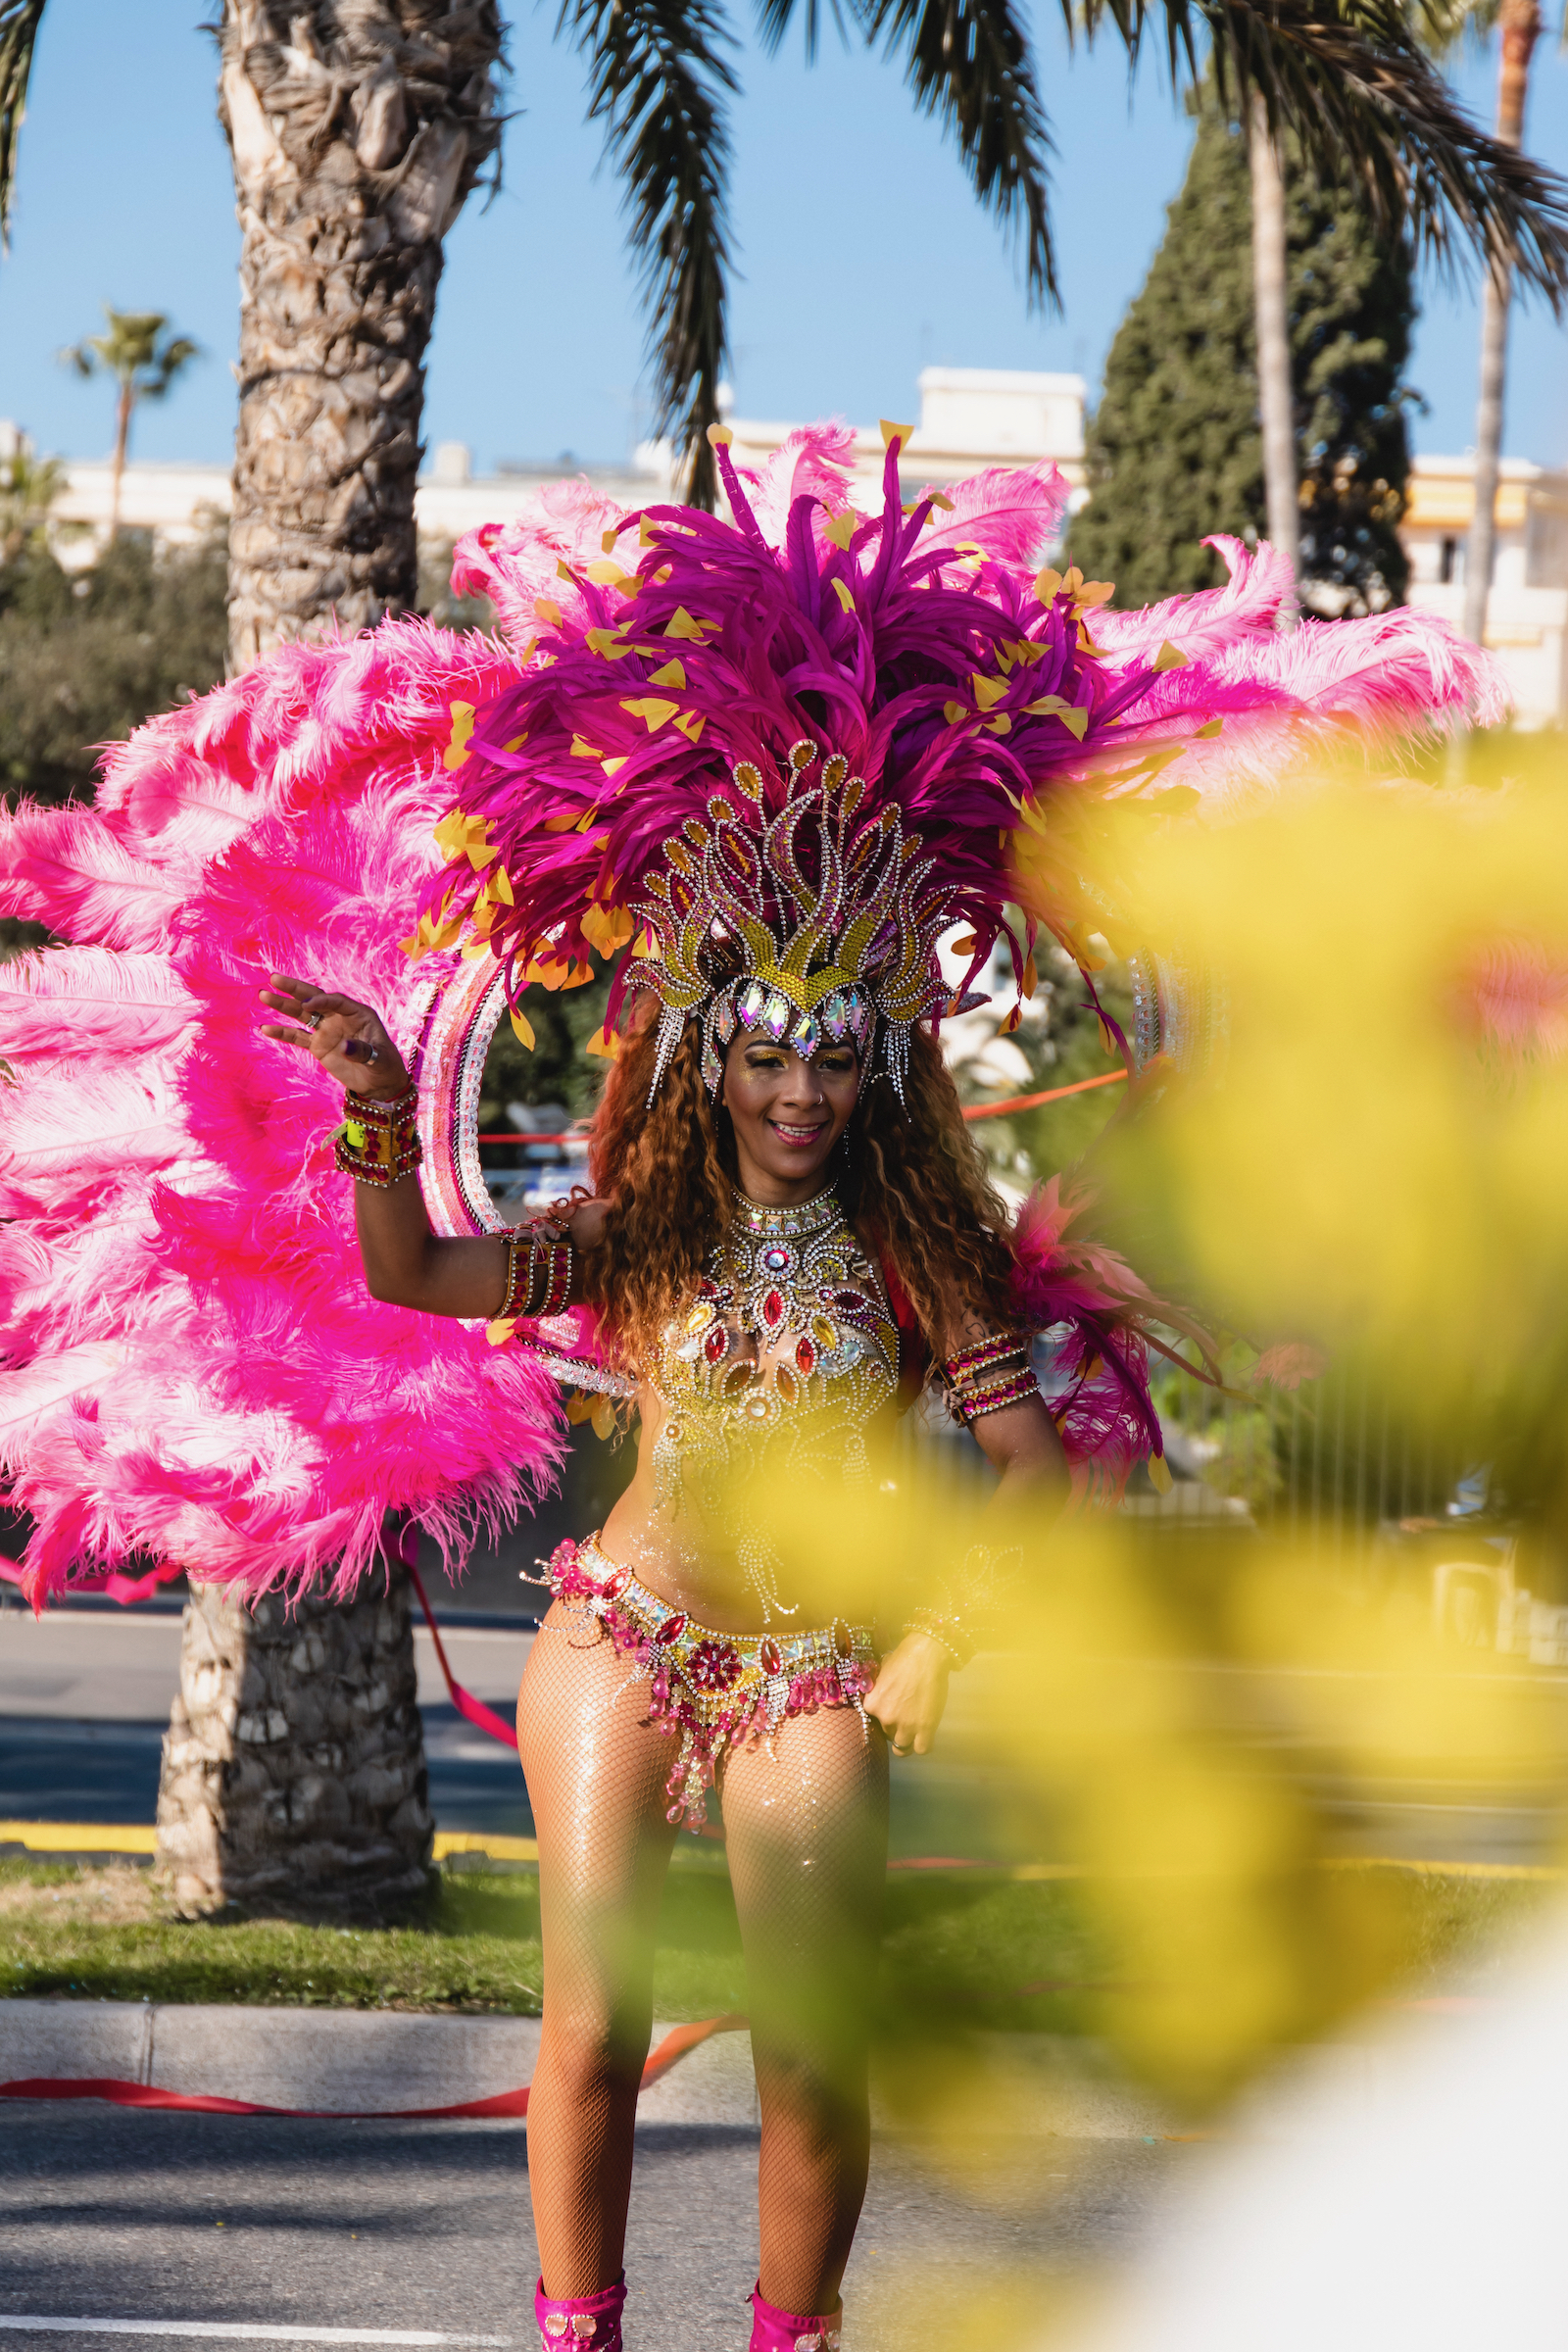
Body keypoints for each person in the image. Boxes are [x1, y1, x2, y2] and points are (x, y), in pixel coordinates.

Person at [259, 945, 1071, 2352]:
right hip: (621, 1642)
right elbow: (414, 1272)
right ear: (710, 1063)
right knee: (589, 2034)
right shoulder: (637, 1231)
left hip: (811, 1671)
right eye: (766, 1057)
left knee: (814, 2058)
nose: (798, 1093)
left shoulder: (915, 1250)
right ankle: (582, 2336)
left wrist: (943, 1636)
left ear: (875, 1065)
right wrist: (382, 1110)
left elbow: (1032, 1465)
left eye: (829, 1057)